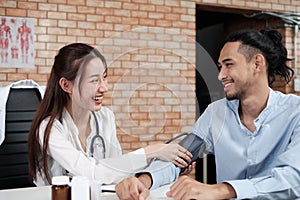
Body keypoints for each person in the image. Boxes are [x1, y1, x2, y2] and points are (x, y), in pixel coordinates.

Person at [115, 29, 300, 199]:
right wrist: (143, 181)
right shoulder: (215, 113)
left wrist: (219, 190)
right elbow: (181, 155)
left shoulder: (295, 112)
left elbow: (293, 179)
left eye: (228, 65)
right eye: (220, 67)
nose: (220, 75)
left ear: (257, 63)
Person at [28, 43, 192, 186]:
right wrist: (152, 151)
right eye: (94, 80)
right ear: (66, 85)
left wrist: (165, 164)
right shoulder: (49, 128)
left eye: (104, 78)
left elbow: (117, 170)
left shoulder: (105, 117)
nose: (104, 88)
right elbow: (91, 172)